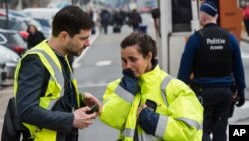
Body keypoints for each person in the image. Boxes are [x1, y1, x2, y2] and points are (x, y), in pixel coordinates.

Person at [14, 5, 101, 141]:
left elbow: (52, 98)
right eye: (83, 38)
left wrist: (80, 98)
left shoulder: (61, 56)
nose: (88, 43)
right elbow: (26, 111)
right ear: (64, 36)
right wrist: (71, 119)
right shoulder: (35, 61)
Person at [99, 32, 203, 141]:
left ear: (149, 56)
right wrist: (127, 91)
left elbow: (188, 133)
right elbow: (113, 119)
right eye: (124, 61)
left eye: (133, 60)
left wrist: (152, 120)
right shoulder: (119, 86)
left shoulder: (176, 89)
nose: (128, 66)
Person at [177, 1, 246, 141]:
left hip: (203, 94)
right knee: (221, 131)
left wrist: (179, 97)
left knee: (201, 130)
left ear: (202, 17)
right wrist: (241, 93)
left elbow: (183, 73)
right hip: (225, 93)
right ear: (217, 15)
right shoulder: (230, 38)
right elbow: (238, 69)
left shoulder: (195, 39)